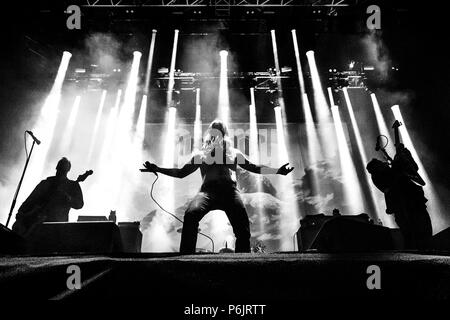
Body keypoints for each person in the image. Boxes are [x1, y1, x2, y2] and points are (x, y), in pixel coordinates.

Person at [143, 119, 294, 254]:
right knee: (191, 215)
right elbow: (182, 172)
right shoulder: (201, 154)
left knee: (242, 227)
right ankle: (186, 258)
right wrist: (158, 169)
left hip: (230, 192)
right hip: (207, 192)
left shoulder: (234, 153)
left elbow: (254, 167)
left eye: (220, 130)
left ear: (224, 135)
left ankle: (243, 263)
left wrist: (277, 171)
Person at [367, 144, 432, 249]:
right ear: (376, 168)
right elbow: (393, 177)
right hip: (402, 206)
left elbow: (413, 169)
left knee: (423, 228)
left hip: (413, 202)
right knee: (411, 231)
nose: (384, 163)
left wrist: (404, 154)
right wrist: (397, 161)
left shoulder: (390, 170)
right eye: (380, 163)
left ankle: (424, 248)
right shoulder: (377, 177)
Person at [13, 157, 84, 236]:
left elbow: (79, 204)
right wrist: (21, 215)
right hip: (35, 223)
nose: (60, 171)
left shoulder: (72, 186)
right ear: (56, 167)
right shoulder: (46, 183)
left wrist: (67, 198)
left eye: (63, 169)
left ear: (67, 171)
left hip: (55, 226)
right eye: (60, 168)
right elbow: (30, 200)